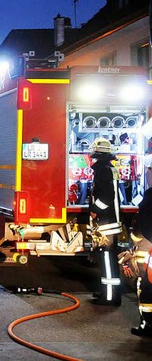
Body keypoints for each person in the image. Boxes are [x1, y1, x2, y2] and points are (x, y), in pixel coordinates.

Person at [88, 137, 122, 306]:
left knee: (107, 259)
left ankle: (110, 297)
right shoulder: (109, 168)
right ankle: (107, 292)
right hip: (110, 221)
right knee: (108, 259)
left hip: (106, 222)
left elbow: (107, 196)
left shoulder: (102, 170)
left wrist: (95, 210)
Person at [119, 187, 152, 337]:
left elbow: (138, 233)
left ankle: (148, 325)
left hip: (146, 252)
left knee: (146, 289)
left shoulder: (149, 200)